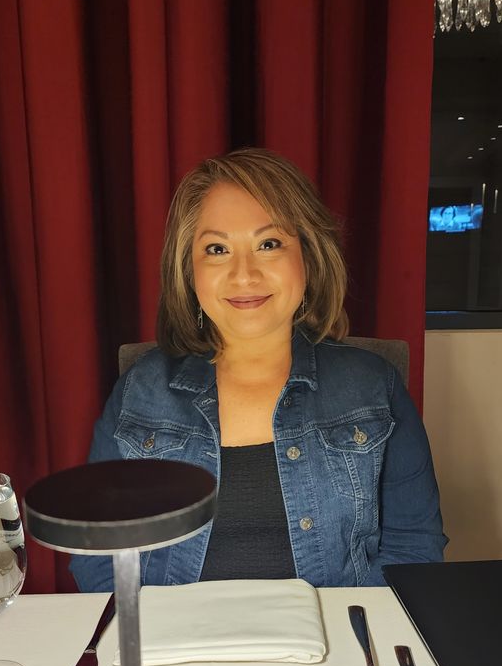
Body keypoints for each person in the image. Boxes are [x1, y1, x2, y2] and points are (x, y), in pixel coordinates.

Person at [70, 147, 447, 592]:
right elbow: (98, 552)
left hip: (336, 631)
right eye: (217, 249)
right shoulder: (140, 390)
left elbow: (413, 547)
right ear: (190, 272)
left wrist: (346, 630)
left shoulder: (373, 386)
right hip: (172, 633)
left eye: (269, 244)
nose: (244, 274)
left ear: (307, 257)